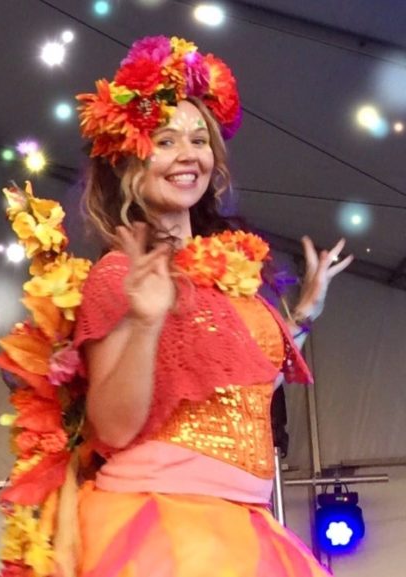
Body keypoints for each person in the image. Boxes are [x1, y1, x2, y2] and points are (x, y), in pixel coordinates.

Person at [65, 36, 351, 575]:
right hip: (166, 521)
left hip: (243, 521)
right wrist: (145, 322)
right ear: (130, 162)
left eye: (200, 139)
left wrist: (304, 314)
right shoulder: (120, 275)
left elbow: (250, 387)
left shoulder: (229, 276)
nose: (188, 154)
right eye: (166, 140)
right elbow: (112, 430)